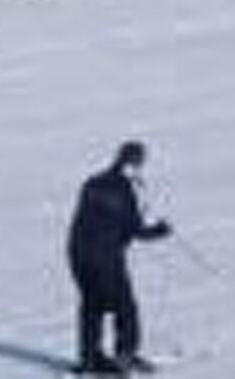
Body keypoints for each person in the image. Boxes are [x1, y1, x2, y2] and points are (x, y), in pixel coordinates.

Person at [66, 139, 172, 374]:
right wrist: (161, 230)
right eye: (141, 161)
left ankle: (89, 358)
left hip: (77, 252)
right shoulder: (125, 188)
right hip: (105, 256)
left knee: (92, 304)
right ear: (135, 162)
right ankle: (125, 354)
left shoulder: (93, 181)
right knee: (125, 306)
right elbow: (135, 229)